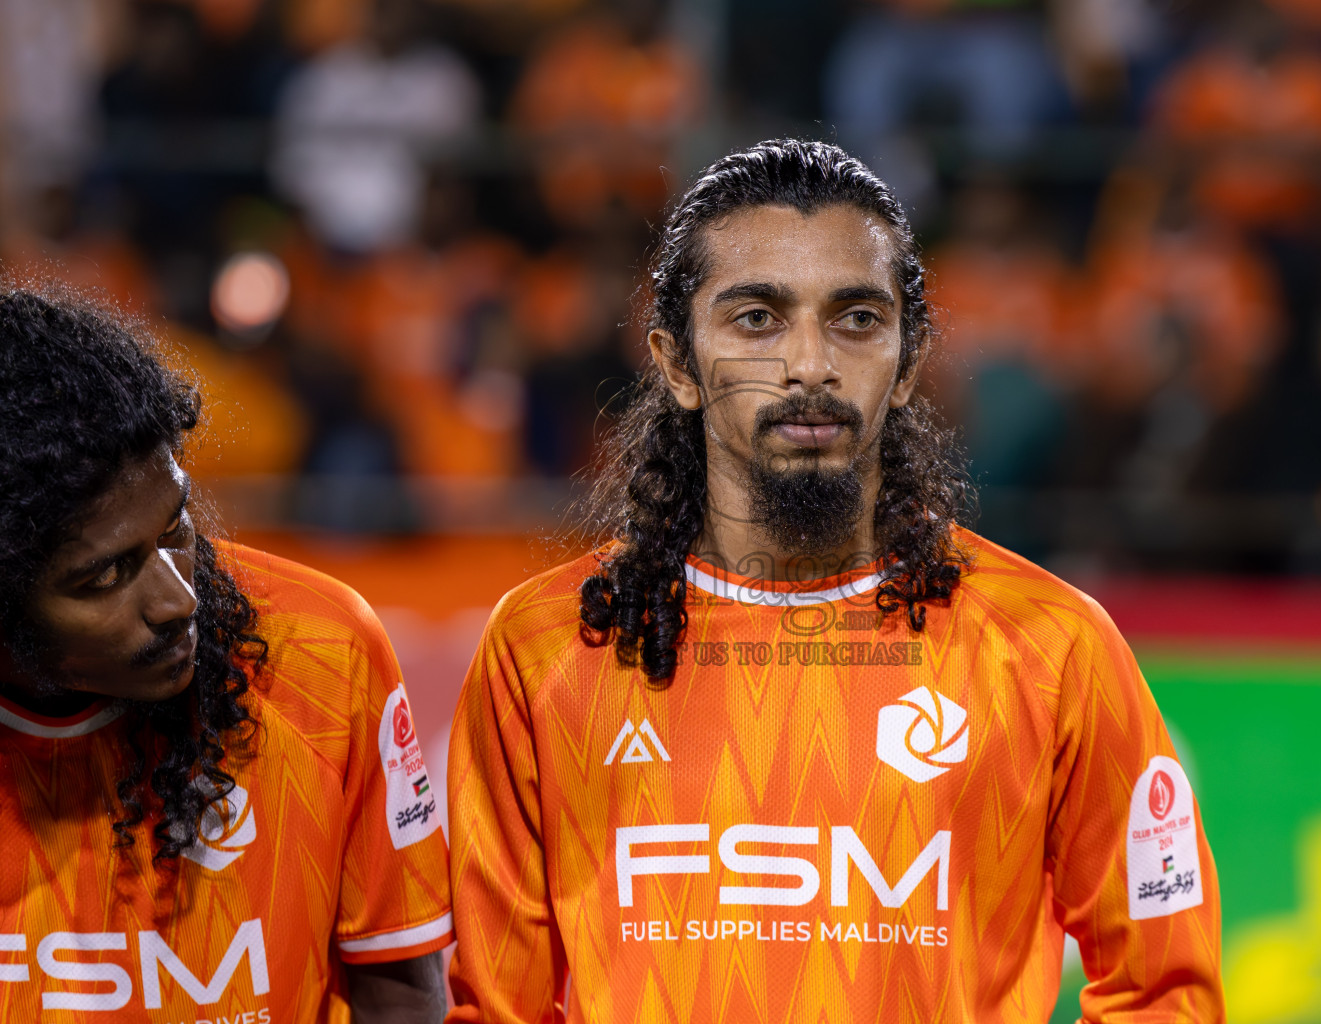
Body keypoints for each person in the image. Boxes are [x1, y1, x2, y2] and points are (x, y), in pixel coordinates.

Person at [447, 139, 1223, 1022]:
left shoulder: (1054, 646)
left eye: (856, 318)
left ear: (908, 361)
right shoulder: (545, 648)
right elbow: (495, 1005)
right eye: (757, 319)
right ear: (675, 365)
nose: (811, 364)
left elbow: (1163, 988)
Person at [0, 289, 452, 1021]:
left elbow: (398, 988)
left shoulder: (323, 650)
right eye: (105, 577)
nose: (177, 599)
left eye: (175, 526)